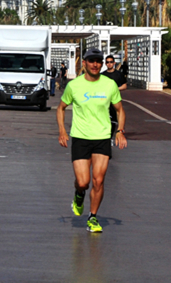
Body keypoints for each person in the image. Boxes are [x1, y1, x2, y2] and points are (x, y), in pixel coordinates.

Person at [57, 47, 126, 234]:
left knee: (98, 180)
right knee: (83, 182)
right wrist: (62, 131)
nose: (95, 64)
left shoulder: (109, 85)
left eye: (98, 61)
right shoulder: (74, 86)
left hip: (102, 138)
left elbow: (120, 110)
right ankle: (79, 194)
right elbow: (61, 108)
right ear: (85, 63)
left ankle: (92, 217)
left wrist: (120, 131)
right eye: (91, 61)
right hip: (80, 138)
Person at [102, 54, 127, 138]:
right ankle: (106, 137)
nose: (109, 64)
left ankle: (113, 135)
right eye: (107, 62)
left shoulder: (119, 74)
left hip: (115, 100)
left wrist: (115, 89)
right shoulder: (102, 75)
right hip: (104, 100)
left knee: (113, 119)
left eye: (111, 62)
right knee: (104, 119)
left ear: (114, 63)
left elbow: (124, 86)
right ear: (105, 63)